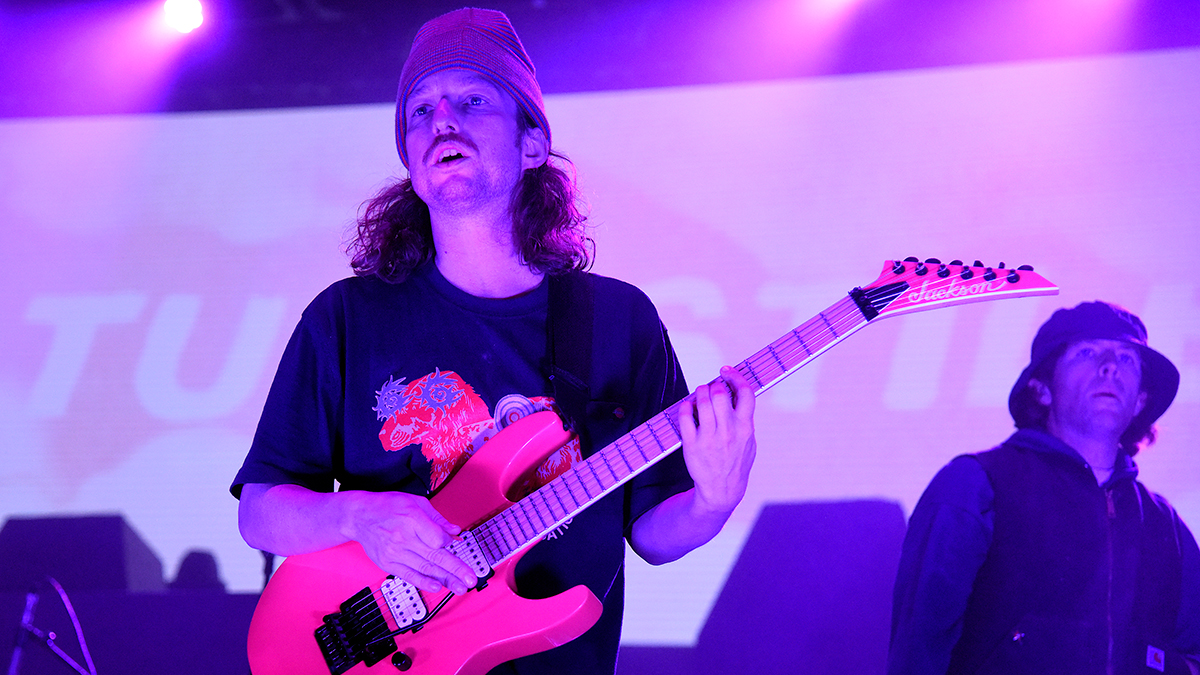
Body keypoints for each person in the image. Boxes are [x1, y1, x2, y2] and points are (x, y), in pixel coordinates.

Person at [230, 7, 756, 675]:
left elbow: (652, 532)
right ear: (414, 170)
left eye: (471, 99)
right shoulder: (345, 317)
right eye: (418, 111)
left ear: (531, 142)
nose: (440, 119)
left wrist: (715, 498)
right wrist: (359, 517)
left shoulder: (619, 319)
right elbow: (262, 512)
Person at [888, 301, 1200, 674]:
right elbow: (921, 647)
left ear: (1140, 402)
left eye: (1128, 359)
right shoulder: (974, 485)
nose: (1110, 367)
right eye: (1086, 352)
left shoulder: (1166, 525)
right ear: (1042, 389)